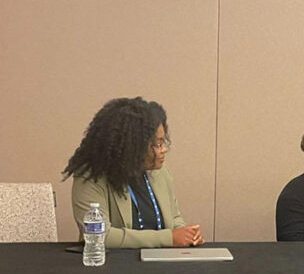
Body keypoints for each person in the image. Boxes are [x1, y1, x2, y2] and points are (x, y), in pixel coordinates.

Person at [62, 97, 205, 248]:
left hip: (162, 259)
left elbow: (174, 218)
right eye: (157, 144)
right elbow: (100, 235)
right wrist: (168, 238)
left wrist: (187, 235)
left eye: (162, 142)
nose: (163, 149)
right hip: (116, 261)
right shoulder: (91, 177)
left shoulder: (159, 172)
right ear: (132, 146)